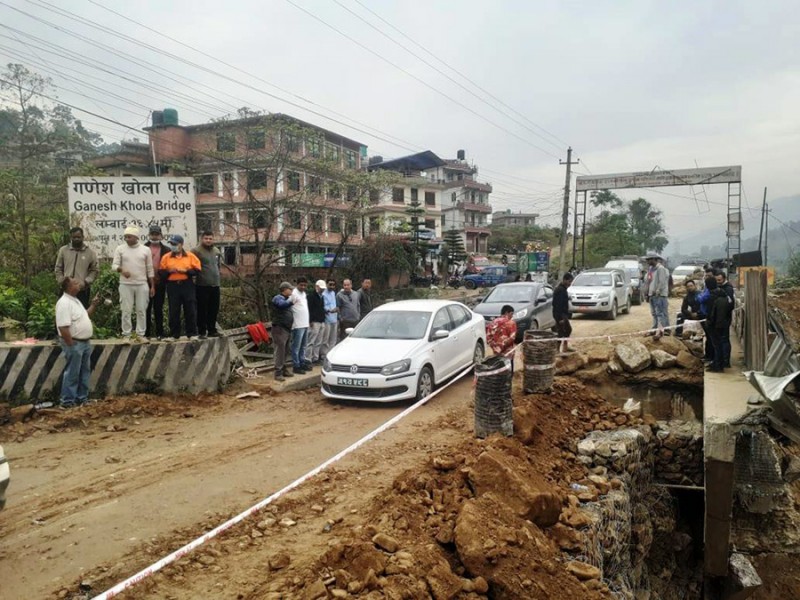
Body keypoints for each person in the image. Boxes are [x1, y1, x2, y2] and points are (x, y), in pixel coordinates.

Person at [55, 277, 102, 408]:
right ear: (68, 287)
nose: (79, 285)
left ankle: (82, 398)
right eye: (75, 283)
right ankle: (67, 402)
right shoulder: (64, 303)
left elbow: (85, 315)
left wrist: (93, 304)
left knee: (84, 372)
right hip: (75, 343)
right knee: (73, 373)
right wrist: (71, 344)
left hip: (84, 342)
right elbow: (63, 327)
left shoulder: (75, 301)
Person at [112, 226, 155, 341]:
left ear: (136, 237)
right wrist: (121, 270)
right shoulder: (120, 249)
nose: (126, 239)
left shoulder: (145, 250)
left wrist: (152, 286)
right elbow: (114, 265)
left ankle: (140, 335)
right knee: (126, 310)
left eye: (129, 236)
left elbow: (150, 269)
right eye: (125, 236)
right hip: (125, 284)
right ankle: (126, 335)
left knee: (141, 310)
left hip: (142, 284)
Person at [159, 234, 201, 341]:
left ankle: (191, 333)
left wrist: (186, 271)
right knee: (174, 310)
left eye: (175, 244)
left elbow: (197, 271)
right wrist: (169, 271)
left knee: (190, 309)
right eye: (171, 244)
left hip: (187, 284)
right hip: (173, 286)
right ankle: (174, 334)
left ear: (181, 245)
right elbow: (161, 272)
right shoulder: (166, 257)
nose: (173, 246)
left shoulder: (190, 256)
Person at [55, 227, 98, 308]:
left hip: (82, 290)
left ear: (83, 237)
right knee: (63, 310)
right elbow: (58, 268)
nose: (76, 239)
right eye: (74, 237)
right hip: (66, 289)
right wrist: (61, 281)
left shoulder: (90, 253)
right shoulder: (63, 250)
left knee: (81, 313)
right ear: (71, 238)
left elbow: (94, 270)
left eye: (78, 237)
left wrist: (86, 282)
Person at [144, 225, 172, 339]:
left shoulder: (167, 250)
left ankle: (160, 333)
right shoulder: (143, 248)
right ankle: (146, 333)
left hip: (160, 283)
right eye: (152, 234)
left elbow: (169, 266)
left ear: (161, 236)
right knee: (146, 308)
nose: (154, 236)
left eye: (157, 234)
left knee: (158, 308)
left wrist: (161, 277)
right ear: (149, 235)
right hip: (145, 283)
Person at [193, 230, 222, 338]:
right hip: (202, 285)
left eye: (210, 238)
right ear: (202, 238)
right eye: (206, 238)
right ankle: (201, 331)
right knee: (202, 309)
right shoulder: (196, 251)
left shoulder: (216, 251)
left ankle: (212, 330)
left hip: (215, 284)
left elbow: (218, 266)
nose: (208, 240)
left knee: (214, 309)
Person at [271, 282, 295, 382]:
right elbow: (281, 305)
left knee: (285, 350)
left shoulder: (286, 299)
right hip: (279, 328)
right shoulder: (278, 298)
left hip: (286, 328)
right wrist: (291, 300)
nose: (292, 291)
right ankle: (278, 373)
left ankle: (283, 369)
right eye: (290, 289)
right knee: (280, 351)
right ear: (284, 289)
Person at [707, 286, 733, 372]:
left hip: (717, 327)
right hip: (722, 325)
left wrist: (711, 324)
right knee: (720, 345)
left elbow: (716, 316)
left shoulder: (719, 301)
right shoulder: (726, 300)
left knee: (717, 346)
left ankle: (718, 366)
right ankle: (719, 364)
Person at [645, 252, 670, 339]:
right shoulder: (651, 269)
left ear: (654, 259)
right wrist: (647, 293)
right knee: (654, 313)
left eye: (649, 259)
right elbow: (648, 281)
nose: (647, 261)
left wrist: (658, 291)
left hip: (660, 295)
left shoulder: (661, 269)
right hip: (652, 294)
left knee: (660, 313)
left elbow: (662, 282)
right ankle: (654, 329)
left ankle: (662, 331)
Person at [486, 304, 517, 371]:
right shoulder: (511, 323)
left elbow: (488, 337)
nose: (512, 316)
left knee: (499, 371)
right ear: (506, 313)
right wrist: (502, 346)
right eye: (511, 314)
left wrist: (496, 347)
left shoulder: (493, 322)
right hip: (508, 353)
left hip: (497, 353)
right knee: (509, 371)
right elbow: (512, 338)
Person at [290, 277, 310, 373]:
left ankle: (302, 362)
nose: (303, 287)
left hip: (305, 323)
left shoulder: (304, 294)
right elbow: (288, 306)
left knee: (303, 346)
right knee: (296, 347)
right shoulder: (293, 294)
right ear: (297, 284)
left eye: (304, 285)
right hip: (297, 324)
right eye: (301, 285)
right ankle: (296, 365)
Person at [697, 275, 718, 363]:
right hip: (708, 317)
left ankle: (711, 357)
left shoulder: (709, 294)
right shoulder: (714, 292)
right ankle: (709, 356)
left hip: (707, 317)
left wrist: (699, 295)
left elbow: (700, 299)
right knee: (710, 337)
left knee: (710, 338)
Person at [305, 280, 326, 365]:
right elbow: (309, 309)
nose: (322, 290)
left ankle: (315, 357)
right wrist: (310, 320)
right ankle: (308, 358)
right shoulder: (311, 296)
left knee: (318, 341)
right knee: (311, 341)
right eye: (321, 288)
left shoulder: (322, 296)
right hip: (314, 321)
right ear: (317, 287)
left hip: (321, 320)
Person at [553, 273, 574, 353]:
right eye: (569, 281)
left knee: (567, 330)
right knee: (561, 332)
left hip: (563, 314)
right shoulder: (560, 290)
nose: (570, 283)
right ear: (565, 280)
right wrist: (560, 318)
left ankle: (565, 347)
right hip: (560, 315)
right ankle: (557, 349)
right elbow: (558, 305)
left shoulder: (563, 289)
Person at [322, 279, 339, 359]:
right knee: (325, 339)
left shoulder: (333, 293)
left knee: (333, 338)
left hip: (334, 318)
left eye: (333, 285)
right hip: (327, 319)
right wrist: (330, 310)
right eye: (330, 284)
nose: (332, 286)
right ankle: (324, 355)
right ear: (326, 284)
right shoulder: (323, 294)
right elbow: (323, 306)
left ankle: (331, 355)